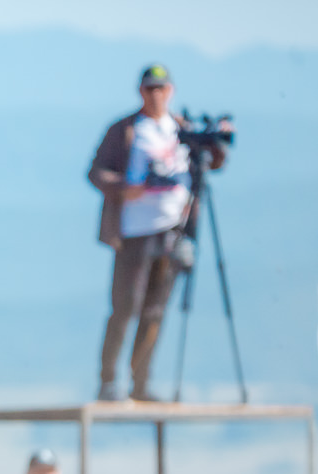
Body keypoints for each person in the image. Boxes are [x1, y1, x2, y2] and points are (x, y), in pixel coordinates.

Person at [90, 64, 227, 403]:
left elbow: (212, 164)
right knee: (125, 308)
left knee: (155, 311)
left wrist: (217, 141)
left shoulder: (181, 129)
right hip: (134, 232)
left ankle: (141, 382)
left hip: (173, 233)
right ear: (141, 92)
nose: (156, 95)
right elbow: (95, 172)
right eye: (150, 89)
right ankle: (109, 381)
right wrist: (125, 189)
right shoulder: (126, 130)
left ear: (171, 91)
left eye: (161, 89)